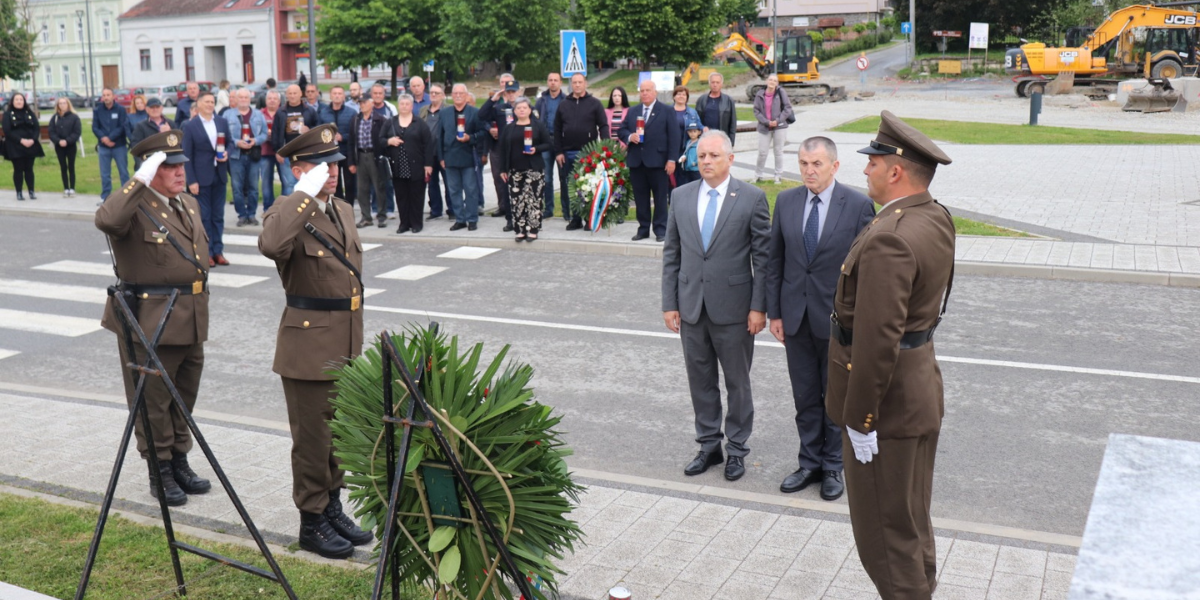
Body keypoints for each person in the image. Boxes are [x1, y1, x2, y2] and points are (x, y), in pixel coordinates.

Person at [828, 111, 954, 599]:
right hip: (919, 389)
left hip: (887, 408)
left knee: (885, 539)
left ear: (896, 170)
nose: (866, 170)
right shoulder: (932, 215)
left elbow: (876, 340)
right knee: (911, 522)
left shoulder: (889, 237)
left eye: (873, 162)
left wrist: (861, 420)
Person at [257, 124, 373, 560]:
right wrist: (301, 196)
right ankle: (311, 520)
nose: (332, 172)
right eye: (321, 166)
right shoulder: (285, 213)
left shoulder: (341, 209)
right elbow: (271, 245)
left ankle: (332, 507)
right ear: (298, 169)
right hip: (307, 348)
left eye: (335, 164)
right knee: (312, 440)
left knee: (338, 436)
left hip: (345, 341)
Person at [94, 131, 212, 507]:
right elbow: (107, 219)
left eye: (180, 165)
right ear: (150, 169)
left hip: (190, 316)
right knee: (153, 398)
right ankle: (158, 469)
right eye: (169, 166)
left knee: (183, 396)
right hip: (152, 321)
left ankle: (179, 458)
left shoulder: (186, 203)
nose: (179, 172)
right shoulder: (134, 206)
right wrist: (138, 181)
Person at [764, 137, 874, 501]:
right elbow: (775, 261)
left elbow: (866, 271)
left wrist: (858, 320)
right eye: (803, 164)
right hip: (794, 319)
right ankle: (808, 462)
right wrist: (774, 312)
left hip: (838, 323)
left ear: (834, 166)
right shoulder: (786, 201)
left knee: (834, 397)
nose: (809, 171)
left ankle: (832, 466)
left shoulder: (857, 205)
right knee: (805, 396)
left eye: (816, 164)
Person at [661, 130, 770, 481]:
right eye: (701, 156)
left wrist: (758, 308)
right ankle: (709, 445)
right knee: (700, 380)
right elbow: (672, 255)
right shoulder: (680, 196)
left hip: (736, 311)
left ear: (730, 159)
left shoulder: (751, 198)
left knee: (737, 383)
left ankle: (737, 450)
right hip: (691, 307)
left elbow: (763, 259)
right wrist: (670, 303)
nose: (706, 161)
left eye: (713, 156)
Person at [619, 80, 679, 242]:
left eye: (648, 90)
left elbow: (674, 137)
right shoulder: (633, 111)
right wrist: (630, 136)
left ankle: (660, 230)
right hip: (637, 162)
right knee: (640, 197)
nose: (644, 93)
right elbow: (621, 130)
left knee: (660, 197)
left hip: (658, 162)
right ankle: (643, 229)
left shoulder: (666, 111)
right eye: (642, 90)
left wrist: (672, 159)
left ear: (655, 92)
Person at [181, 91, 231, 267]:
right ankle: (206, 252)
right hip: (201, 178)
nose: (210, 105)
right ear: (199, 104)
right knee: (204, 216)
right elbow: (187, 155)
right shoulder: (190, 126)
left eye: (212, 102)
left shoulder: (221, 122)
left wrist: (227, 153)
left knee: (218, 215)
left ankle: (218, 251)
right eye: (207, 102)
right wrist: (191, 181)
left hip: (219, 175)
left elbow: (230, 143)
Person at [553, 73, 609, 230]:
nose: (577, 85)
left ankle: (588, 219)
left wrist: (605, 147)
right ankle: (575, 218)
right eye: (574, 82)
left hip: (589, 153)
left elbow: (603, 126)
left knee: (588, 187)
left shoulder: (595, 104)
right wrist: (558, 152)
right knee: (572, 187)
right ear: (571, 84)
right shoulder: (563, 105)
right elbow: (557, 129)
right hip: (568, 152)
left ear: (585, 84)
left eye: (580, 82)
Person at [498, 96, 551, 242]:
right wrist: (502, 169)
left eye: (524, 108)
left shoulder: (538, 125)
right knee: (517, 201)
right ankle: (520, 230)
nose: (521, 110)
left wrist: (536, 149)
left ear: (530, 110)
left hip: (534, 169)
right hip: (515, 170)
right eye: (518, 108)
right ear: (514, 111)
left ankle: (533, 230)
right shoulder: (509, 128)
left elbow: (548, 143)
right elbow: (502, 149)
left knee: (534, 200)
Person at [382, 94, 435, 234]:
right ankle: (404, 223)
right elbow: (379, 140)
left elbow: (428, 145)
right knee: (401, 196)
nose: (404, 106)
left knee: (416, 196)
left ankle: (417, 223)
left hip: (416, 166)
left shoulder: (419, 123)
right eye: (402, 104)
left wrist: (428, 165)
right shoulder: (390, 122)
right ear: (398, 105)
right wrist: (389, 141)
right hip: (397, 167)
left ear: (412, 106)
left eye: (407, 104)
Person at [436, 83, 483, 231]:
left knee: (470, 189)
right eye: (455, 93)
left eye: (461, 93)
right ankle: (460, 219)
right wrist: (441, 157)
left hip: (468, 156)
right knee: (454, 190)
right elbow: (439, 136)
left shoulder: (474, 112)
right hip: (450, 157)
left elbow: (482, 133)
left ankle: (472, 218)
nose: (457, 95)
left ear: (466, 95)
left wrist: (470, 138)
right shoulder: (444, 113)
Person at [479, 75, 520, 231]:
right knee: (505, 184)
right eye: (508, 92)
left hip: (520, 151)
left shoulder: (524, 106)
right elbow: (481, 116)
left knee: (520, 186)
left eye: (513, 92)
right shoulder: (499, 108)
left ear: (518, 92)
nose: (511, 94)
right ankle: (509, 219)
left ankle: (523, 217)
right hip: (504, 151)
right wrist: (493, 99)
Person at [347, 86, 391, 229]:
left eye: (365, 103)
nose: (362, 105)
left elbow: (385, 141)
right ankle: (366, 217)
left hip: (375, 156)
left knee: (379, 187)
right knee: (362, 189)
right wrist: (352, 162)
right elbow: (351, 142)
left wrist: (383, 158)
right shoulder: (355, 120)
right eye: (360, 103)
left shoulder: (380, 120)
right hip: (360, 156)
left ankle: (382, 216)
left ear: (371, 104)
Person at [225, 88, 268, 227]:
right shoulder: (228, 115)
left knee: (254, 188)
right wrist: (237, 142)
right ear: (236, 99)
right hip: (236, 156)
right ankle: (241, 215)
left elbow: (265, 133)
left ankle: (252, 214)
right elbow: (225, 135)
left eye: (246, 97)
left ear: (250, 99)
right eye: (241, 97)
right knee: (237, 188)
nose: (243, 100)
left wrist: (255, 141)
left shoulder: (258, 114)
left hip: (253, 156)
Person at [272, 84, 318, 197]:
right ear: (286, 95)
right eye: (290, 93)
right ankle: (290, 212)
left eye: (295, 93)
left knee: (306, 183)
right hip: (287, 154)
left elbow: (318, 129)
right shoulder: (281, 112)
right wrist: (278, 151)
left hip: (305, 153)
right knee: (289, 184)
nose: (292, 96)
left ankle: (305, 210)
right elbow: (275, 133)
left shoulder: (309, 110)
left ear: (301, 94)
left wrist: (309, 130)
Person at [319, 85, 359, 209]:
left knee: (349, 182)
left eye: (339, 93)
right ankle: (337, 207)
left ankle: (349, 207)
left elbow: (355, 133)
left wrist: (343, 137)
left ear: (343, 96)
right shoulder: (323, 113)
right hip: (330, 154)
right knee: (333, 182)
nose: (337, 96)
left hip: (346, 152)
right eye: (334, 93)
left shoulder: (351, 112)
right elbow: (318, 131)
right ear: (330, 96)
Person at [753, 75, 794, 184]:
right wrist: (766, 122)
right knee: (762, 152)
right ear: (766, 81)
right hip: (764, 126)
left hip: (779, 126)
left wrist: (778, 120)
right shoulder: (760, 94)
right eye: (770, 80)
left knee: (778, 151)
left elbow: (787, 108)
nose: (772, 82)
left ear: (777, 83)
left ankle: (778, 175)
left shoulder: (781, 92)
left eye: (774, 81)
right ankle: (758, 175)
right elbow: (756, 110)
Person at [534, 73, 565, 219]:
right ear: (547, 82)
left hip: (561, 142)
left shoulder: (565, 100)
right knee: (546, 178)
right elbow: (535, 120)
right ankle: (548, 209)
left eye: (555, 80)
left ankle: (567, 211)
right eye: (550, 80)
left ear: (560, 82)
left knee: (564, 177)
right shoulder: (541, 101)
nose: (553, 83)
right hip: (545, 142)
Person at [93, 88, 131, 204]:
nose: (106, 97)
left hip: (119, 146)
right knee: (105, 174)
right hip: (104, 147)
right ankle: (105, 196)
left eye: (108, 95)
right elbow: (95, 127)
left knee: (123, 172)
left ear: (113, 96)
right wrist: (104, 139)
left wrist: (110, 138)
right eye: (104, 95)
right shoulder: (98, 110)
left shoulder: (120, 110)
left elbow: (122, 126)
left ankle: (127, 196)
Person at [3, 93, 43, 201]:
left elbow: (36, 128)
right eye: (17, 99)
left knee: (29, 169)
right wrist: (21, 140)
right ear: (13, 101)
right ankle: (19, 192)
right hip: (15, 145)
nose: (19, 101)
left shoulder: (29, 113)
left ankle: (31, 191)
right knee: (18, 169)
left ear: (24, 101)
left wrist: (32, 140)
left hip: (30, 144)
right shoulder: (8, 114)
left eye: (21, 99)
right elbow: (7, 131)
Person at [419, 83, 449, 220]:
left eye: (437, 93)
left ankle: (453, 209)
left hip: (444, 152)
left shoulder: (448, 110)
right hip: (428, 153)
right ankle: (435, 210)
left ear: (443, 95)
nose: (433, 95)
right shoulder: (424, 110)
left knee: (449, 183)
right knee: (431, 183)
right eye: (431, 92)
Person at [259, 91, 289, 212]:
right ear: (266, 101)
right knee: (266, 182)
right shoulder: (259, 114)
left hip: (282, 152)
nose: (272, 100)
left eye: (274, 99)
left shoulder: (284, 113)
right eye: (269, 98)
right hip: (265, 152)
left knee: (286, 181)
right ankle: (268, 209)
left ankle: (283, 208)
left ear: (279, 101)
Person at [129, 97, 178, 168]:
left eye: (157, 107)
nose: (155, 109)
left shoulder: (170, 123)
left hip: (169, 162)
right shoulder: (140, 126)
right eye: (152, 107)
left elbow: (178, 143)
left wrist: (169, 133)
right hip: (149, 163)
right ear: (147, 109)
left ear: (161, 108)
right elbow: (135, 146)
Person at [48, 97, 81, 198]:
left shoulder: (74, 117)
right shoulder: (55, 117)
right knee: (63, 167)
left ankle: (72, 188)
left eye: (64, 103)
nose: (62, 105)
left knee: (71, 166)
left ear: (68, 104)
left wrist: (68, 141)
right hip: (59, 146)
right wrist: (58, 141)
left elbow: (77, 132)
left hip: (70, 145)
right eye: (60, 103)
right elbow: (51, 131)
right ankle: (66, 188)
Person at [670, 85, 701, 186]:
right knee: (671, 177)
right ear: (674, 96)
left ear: (687, 97)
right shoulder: (667, 111)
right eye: (678, 94)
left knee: (685, 177)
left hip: (687, 148)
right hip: (671, 148)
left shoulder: (692, 112)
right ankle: (672, 198)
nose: (681, 96)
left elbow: (699, 127)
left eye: (684, 94)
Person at [694, 72, 736, 145]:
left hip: (722, 138)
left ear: (721, 84)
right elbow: (696, 119)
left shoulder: (729, 100)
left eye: (717, 82)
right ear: (709, 83)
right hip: (705, 138)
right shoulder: (701, 100)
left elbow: (733, 124)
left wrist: (731, 143)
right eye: (713, 82)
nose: (715, 85)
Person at [676, 122, 702, 187]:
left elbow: (701, 155)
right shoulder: (688, 142)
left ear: (699, 132)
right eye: (690, 132)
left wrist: (695, 162)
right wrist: (684, 157)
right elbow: (687, 152)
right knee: (688, 185)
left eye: (694, 131)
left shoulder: (700, 143)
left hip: (696, 169)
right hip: (688, 168)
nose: (692, 134)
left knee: (697, 185)